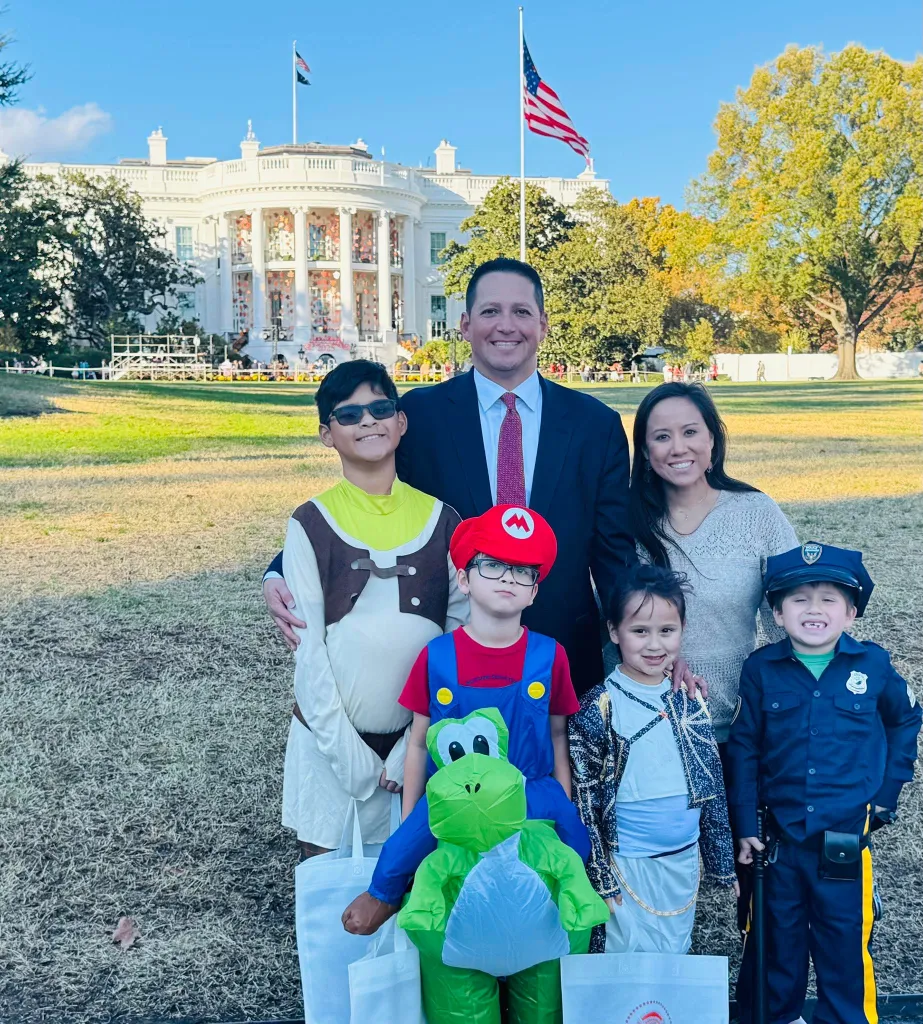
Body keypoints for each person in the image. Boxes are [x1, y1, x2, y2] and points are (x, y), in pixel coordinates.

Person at [263, 257, 638, 698]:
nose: (506, 325)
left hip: (563, 655)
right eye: (490, 311)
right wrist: (279, 569)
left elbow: (615, 553)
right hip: (448, 647)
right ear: (464, 324)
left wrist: (645, 637)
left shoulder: (596, 425)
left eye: (521, 312)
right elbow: (369, 500)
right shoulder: (419, 416)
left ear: (543, 324)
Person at [342, 503, 588, 934]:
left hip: (528, 792)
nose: (509, 578)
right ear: (464, 578)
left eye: (523, 570)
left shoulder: (551, 656)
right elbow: (418, 744)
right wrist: (412, 814)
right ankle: (384, 893)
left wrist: (560, 804)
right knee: (412, 839)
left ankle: (578, 891)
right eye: (492, 565)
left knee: (576, 843)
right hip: (453, 796)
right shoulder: (436, 657)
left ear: (535, 590)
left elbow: (557, 737)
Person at [279, 360, 467, 858]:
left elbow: (458, 641)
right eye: (349, 414)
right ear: (326, 435)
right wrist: (347, 754)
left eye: (381, 408)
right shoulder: (309, 522)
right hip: (327, 746)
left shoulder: (443, 520)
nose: (368, 422)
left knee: (410, 894)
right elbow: (308, 651)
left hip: (418, 742)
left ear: (401, 422)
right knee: (328, 894)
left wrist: (414, 745)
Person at [728, 542, 921, 1024]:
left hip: (845, 841)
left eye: (829, 599)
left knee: (845, 955)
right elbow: (745, 748)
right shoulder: (760, 670)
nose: (814, 609)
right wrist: (745, 823)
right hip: (779, 842)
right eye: (798, 598)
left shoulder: (873, 666)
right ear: (776, 610)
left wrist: (884, 798)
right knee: (776, 952)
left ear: (851, 612)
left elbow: (905, 722)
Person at [570, 564, 736, 954]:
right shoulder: (596, 708)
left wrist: (722, 865)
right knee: (621, 964)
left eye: (666, 631)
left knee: (672, 959)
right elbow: (585, 804)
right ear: (614, 631)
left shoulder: (690, 700)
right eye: (639, 631)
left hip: (681, 865)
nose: (654, 644)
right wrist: (601, 877)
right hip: (626, 867)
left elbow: (709, 785)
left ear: (682, 630)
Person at [629, 382, 798, 746]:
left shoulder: (756, 512)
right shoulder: (625, 522)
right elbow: (607, 622)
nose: (678, 448)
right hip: (643, 726)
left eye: (690, 432)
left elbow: (789, 618)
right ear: (644, 450)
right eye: (661, 436)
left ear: (712, 439)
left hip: (739, 727)